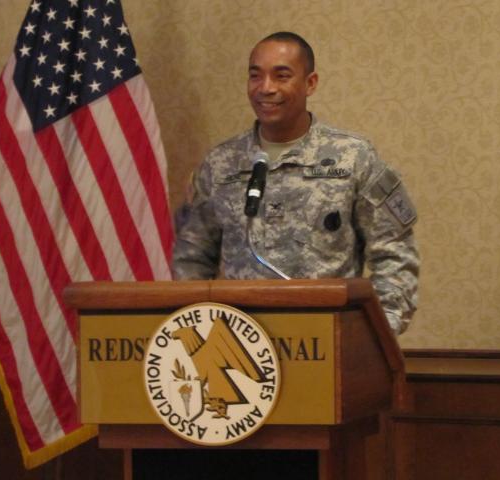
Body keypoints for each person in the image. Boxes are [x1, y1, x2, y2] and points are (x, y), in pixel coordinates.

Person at [173, 31, 419, 335]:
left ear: (310, 83)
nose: (266, 88)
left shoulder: (353, 157)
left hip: (328, 344)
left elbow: (394, 255)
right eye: (255, 76)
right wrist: (200, 329)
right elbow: (191, 259)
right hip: (242, 347)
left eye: (281, 76)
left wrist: (375, 335)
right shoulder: (221, 164)